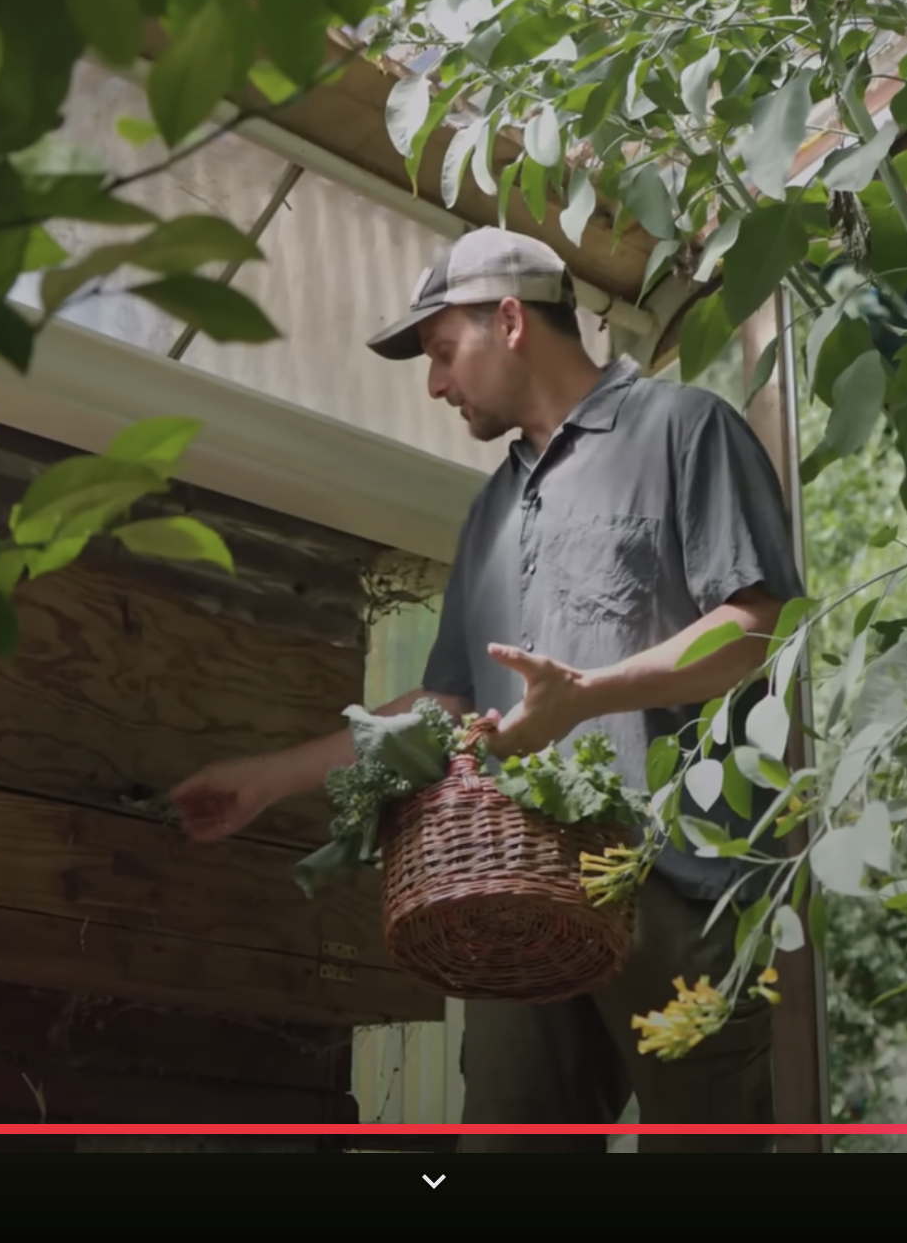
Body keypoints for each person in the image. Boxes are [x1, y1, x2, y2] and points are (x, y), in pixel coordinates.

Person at [168, 227, 804, 1153]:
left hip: (680, 885)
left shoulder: (684, 428)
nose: (434, 385)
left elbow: (757, 630)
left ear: (509, 320)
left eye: (440, 352)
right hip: (523, 896)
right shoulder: (491, 512)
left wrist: (586, 693)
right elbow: (451, 705)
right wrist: (271, 778)